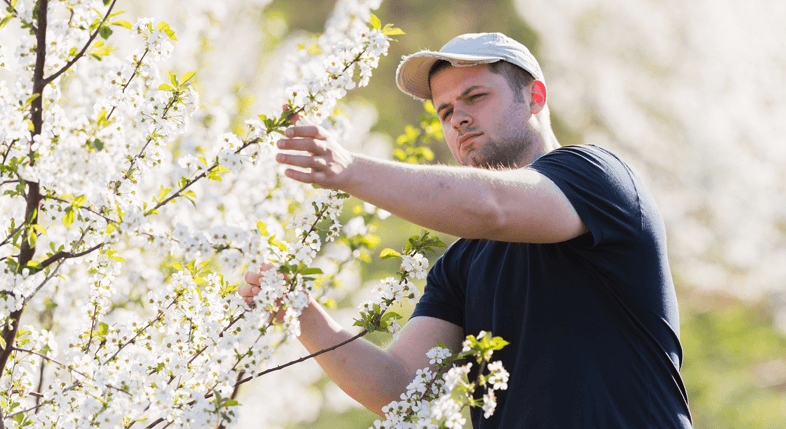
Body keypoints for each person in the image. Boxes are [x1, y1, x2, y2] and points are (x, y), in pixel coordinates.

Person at [239, 32, 693, 428]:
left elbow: (491, 206)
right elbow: (398, 391)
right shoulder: (462, 263)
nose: (457, 119)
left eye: (475, 97)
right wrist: (302, 313)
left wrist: (349, 169)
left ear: (535, 96)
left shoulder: (596, 177)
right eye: (445, 111)